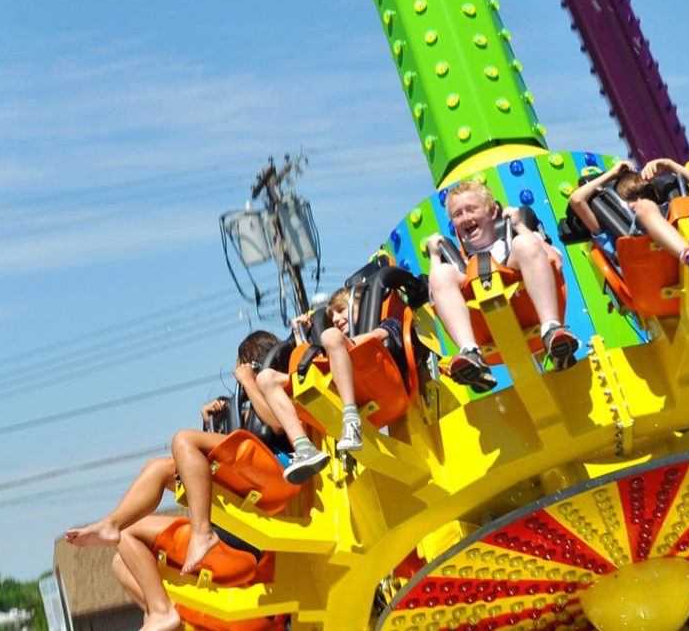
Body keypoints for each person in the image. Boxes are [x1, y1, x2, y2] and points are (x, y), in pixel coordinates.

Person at [64, 331, 288, 630]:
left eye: (241, 370)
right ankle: (116, 530)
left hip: (244, 542)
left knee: (181, 444)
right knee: (155, 475)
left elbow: (275, 423)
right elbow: (233, 450)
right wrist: (210, 423)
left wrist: (249, 381)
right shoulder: (253, 412)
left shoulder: (278, 390)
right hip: (243, 516)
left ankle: (166, 602)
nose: (238, 379)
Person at [425, 180, 578, 393]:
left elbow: (556, 261)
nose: (466, 218)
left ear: (492, 211)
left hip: (530, 315)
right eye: (458, 215)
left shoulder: (513, 243)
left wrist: (520, 227)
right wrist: (434, 256)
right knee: (441, 273)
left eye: (471, 209)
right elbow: (436, 296)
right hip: (487, 335)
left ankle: (551, 329)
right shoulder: (461, 266)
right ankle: (471, 353)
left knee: (524, 244)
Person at [256, 286, 409, 484]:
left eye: (341, 310)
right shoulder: (335, 348)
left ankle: (351, 419)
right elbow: (311, 368)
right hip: (344, 391)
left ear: (362, 306)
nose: (336, 319)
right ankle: (304, 448)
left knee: (330, 336)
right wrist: (299, 334)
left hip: (386, 392)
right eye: (332, 315)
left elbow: (375, 336)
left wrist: (338, 343)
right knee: (265, 378)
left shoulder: (388, 323)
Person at [568, 159, 689, 284]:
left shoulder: (669, 213)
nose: (638, 201)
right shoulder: (612, 230)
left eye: (644, 194)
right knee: (645, 207)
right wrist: (611, 174)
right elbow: (576, 199)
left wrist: (669, 164)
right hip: (649, 280)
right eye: (631, 199)